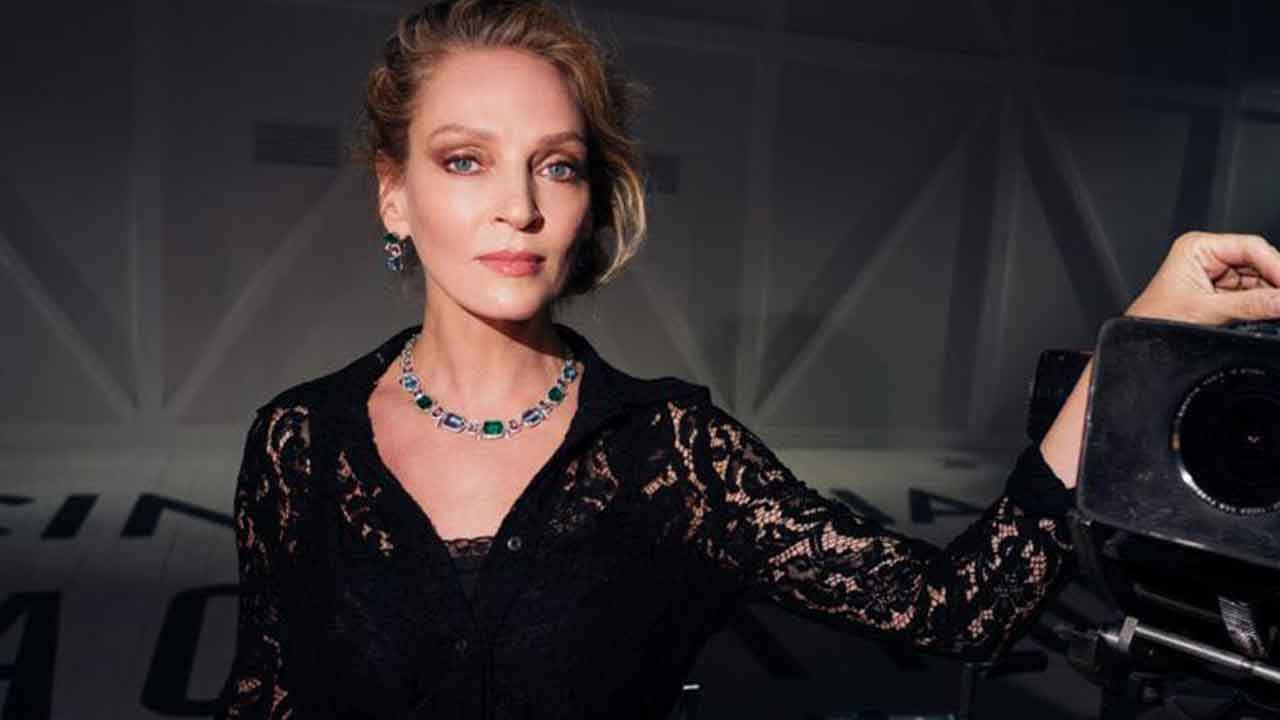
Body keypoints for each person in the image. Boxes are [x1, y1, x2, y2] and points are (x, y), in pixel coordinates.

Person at [213, 1, 1280, 717]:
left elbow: (962, 608)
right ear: (393, 195)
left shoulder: (671, 454)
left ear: (590, 201)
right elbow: (262, 697)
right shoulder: (299, 443)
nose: (519, 206)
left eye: (558, 165)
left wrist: (1127, 349)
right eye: (464, 160)